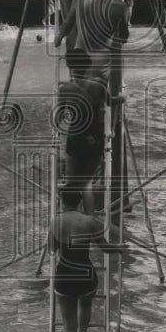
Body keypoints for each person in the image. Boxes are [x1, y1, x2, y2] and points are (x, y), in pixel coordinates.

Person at [49, 188, 116, 332]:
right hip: (86, 276)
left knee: (69, 325)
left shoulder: (55, 221)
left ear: (62, 202)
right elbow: (106, 247)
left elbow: (51, 249)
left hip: (64, 275)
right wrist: (121, 248)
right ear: (79, 202)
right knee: (85, 305)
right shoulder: (90, 221)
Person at [57, 49, 107, 215]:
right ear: (87, 65)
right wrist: (122, 97)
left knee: (71, 183)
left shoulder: (65, 89)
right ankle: (89, 221)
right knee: (86, 184)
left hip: (76, 138)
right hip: (95, 141)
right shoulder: (99, 85)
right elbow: (109, 103)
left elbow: (58, 118)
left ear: (69, 66)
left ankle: (69, 220)